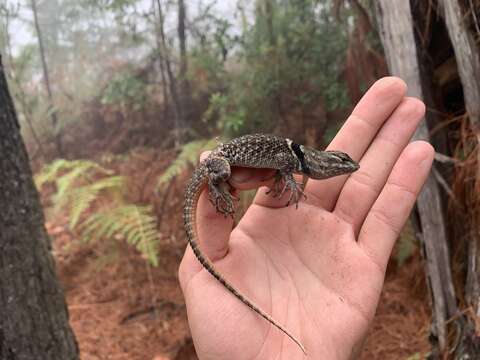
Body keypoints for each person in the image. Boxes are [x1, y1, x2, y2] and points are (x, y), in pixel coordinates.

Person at [178, 77, 434, 359]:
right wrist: (222, 188)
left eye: (343, 163)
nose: (347, 167)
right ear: (325, 162)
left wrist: (287, 179)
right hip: (222, 159)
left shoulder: (300, 162)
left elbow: (285, 165)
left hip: (244, 155)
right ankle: (216, 186)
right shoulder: (296, 162)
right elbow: (283, 165)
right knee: (224, 175)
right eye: (340, 163)